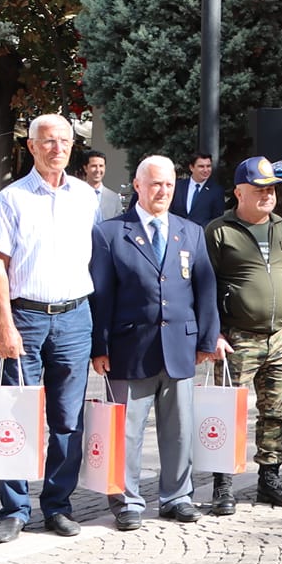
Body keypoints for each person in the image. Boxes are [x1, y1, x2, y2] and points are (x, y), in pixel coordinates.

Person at [0, 114, 102, 543]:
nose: (57, 148)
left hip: (74, 317)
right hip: (26, 319)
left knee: (68, 420)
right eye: (48, 141)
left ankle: (57, 506)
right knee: (17, 415)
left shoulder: (87, 197)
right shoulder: (11, 200)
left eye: (65, 141)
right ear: (31, 146)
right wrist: (5, 325)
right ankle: (14, 509)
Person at [90, 155, 220, 528]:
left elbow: (205, 288)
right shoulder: (111, 233)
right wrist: (100, 347)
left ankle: (177, 497)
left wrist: (207, 339)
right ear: (137, 186)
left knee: (179, 430)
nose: (162, 191)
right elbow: (102, 295)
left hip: (179, 345)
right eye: (155, 184)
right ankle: (127, 501)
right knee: (127, 430)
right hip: (129, 348)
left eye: (168, 185)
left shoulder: (190, 231)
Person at [204, 157, 282, 510]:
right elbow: (205, 287)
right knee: (227, 410)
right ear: (238, 192)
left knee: (276, 410)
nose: (267, 195)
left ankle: (270, 478)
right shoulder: (219, 231)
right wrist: (213, 333)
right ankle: (222, 484)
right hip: (237, 339)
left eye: (271, 189)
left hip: (280, 337)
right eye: (259, 189)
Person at [175, 152, 226, 226]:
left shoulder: (217, 191)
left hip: (201, 235)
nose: (206, 170)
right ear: (191, 168)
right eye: (201, 166)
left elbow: (217, 219)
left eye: (208, 166)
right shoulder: (178, 186)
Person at [81, 151, 126, 219]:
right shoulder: (75, 194)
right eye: (94, 166)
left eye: (101, 166)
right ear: (85, 168)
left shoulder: (114, 198)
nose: (98, 170)